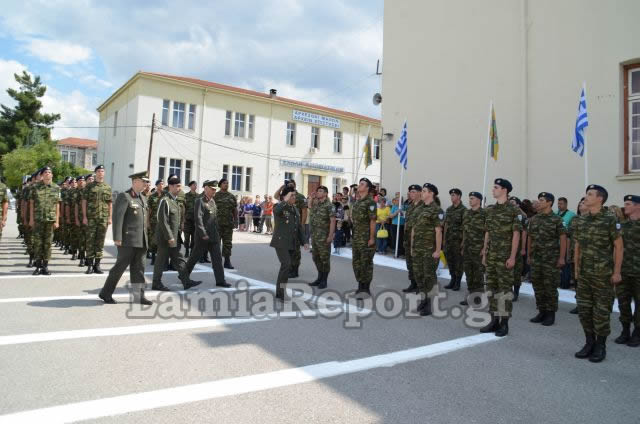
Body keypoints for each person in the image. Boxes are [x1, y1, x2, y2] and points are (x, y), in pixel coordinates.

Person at [574, 185, 623, 363]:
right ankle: (589, 342)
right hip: (586, 274)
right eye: (586, 193)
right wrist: (577, 270)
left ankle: (600, 346)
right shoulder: (582, 220)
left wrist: (617, 272)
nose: (586, 197)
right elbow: (578, 246)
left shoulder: (610, 219)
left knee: (601, 312)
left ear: (600, 198)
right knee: (584, 310)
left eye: (590, 194)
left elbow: (619, 247)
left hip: (603, 275)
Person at [99, 172, 153, 305]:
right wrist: (117, 238)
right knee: (119, 268)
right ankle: (105, 293)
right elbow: (118, 218)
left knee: (139, 269)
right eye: (143, 181)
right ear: (135, 181)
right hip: (127, 241)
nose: (146, 184)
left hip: (141, 241)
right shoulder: (125, 196)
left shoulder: (143, 198)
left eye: (146, 181)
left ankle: (139, 296)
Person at [480, 178, 522, 337]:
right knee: (491, 289)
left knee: (504, 291)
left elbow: (516, 235)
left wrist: (512, 257)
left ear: (504, 190)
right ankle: (493, 320)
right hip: (491, 256)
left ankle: (504, 323)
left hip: (505, 257)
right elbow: (488, 233)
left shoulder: (514, 211)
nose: (493, 190)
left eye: (496, 187)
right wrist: (485, 252)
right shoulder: (490, 210)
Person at [151, 175, 201, 291]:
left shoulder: (175, 201)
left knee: (180, 259)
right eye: (177, 186)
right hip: (166, 238)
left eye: (180, 186)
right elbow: (162, 221)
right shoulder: (165, 201)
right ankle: (156, 283)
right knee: (160, 260)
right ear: (171, 186)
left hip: (175, 237)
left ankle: (186, 281)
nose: (179, 188)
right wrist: (169, 237)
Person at [526, 192, 567, 326]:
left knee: (550, 287)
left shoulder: (556, 220)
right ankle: (541, 311)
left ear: (549, 202)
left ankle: (550, 314)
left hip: (551, 259)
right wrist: (529, 255)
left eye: (542, 200)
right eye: (539, 200)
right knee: (537, 285)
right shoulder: (535, 219)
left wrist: (561, 257)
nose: (539, 202)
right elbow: (530, 237)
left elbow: (563, 239)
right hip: (537, 258)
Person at [185, 180, 230, 288]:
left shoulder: (212, 202)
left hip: (214, 236)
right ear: (206, 189)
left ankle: (220, 280)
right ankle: (183, 275)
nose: (214, 191)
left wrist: (217, 233)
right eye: (212, 189)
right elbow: (198, 219)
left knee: (217, 259)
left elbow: (214, 220)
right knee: (194, 257)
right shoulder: (199, 201)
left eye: (215, 189)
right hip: (202, 237)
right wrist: (203, 233)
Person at [270, 186, 308, 300]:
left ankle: (279, 291)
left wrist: (304, 241)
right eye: (292, 195)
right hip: (281, 241)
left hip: (291, 242)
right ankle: (281, 293)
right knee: (286, 264)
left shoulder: (295, 208)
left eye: (295, 195)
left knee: (286, 266)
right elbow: (276, 211)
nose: (294, 197)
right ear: (285, 197)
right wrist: (285, 200)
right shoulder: (279, 206)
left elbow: (299, 227)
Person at [411, 183, 444, 316]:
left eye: (424, 191)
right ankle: (424, 299)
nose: (422, 193)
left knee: (429, 276)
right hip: (418, 249)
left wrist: (438, 250)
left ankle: (429, 304)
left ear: (431, 193)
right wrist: (412, 246)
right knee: (418, 275)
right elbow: (414, 229)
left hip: (429, 250)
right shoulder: (418, 209)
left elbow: (439, 231)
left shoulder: (437, 210)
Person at [614, 194, 640, 347]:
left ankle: (637, 333)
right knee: (623, 303)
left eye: (629, 204)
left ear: (638, 206)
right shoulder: (621, 225)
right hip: (623, 271)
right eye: (625, 203)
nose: (625, 206)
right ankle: (625, 331)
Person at [29, 167, 61, 275]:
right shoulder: (35, 187)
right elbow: (32, 204)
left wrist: (57, 221)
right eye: (45, 172)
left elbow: (57, 205)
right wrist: (31, 219)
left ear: (52, 175)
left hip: (50, 220)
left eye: (49, 172)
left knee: (47, 244)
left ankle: (45, 266)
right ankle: (38, 266)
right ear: (42, 175)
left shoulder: (56, 188)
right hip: (38, 219)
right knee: (38, 243)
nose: (48, 174)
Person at [274, 179, 308, 278]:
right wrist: (281, 188)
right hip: (286, 231)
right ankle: (288, 269)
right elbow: (276, 198)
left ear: (295, 185)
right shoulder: (285, 198)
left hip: (296, 228)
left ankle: (295, 269)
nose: (290, 185)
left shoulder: (300, 197)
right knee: (288, 252)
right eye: (288, 184)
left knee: (296, 250)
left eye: (291, 184)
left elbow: (304, 211)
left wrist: (301, 226)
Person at [82, 165, 112, 274]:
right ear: (95, 173)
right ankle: (89, 265)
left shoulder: (107, 187)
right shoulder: (89, 187)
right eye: (98, 171)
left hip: (103, 218)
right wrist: (84, 217)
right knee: (90, 241)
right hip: (91, 218)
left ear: (104, 173)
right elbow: (84, 202)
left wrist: (109, 217)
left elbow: (109, 203)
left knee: (100, 242)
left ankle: (97, 265)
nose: (100, 173)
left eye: (102, 171)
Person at [351, 178, 377, 298]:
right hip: (356, 237)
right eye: (359, 183)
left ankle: (365, 289)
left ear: (367, 188)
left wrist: (371, 238)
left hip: (366, 237)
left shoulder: (370, 202)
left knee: (365, 263)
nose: (359, 186)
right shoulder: (358, 201)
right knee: (356, 262)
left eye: (362, 184)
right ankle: (360, 287)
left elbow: (372, 221)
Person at [460, 191, 486, 306]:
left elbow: (487, 233)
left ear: (479, 200)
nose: (470, 200)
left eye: (472, 198)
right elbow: (465, 231)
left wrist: (484, 249)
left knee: (478, 275)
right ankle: (471, 296)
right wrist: (462, 245)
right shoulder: (466, 213)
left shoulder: (484, 214)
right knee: (469, 274)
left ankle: (478, 298)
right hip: (467, 249)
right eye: (469, 198)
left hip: (478, 250)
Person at [308, 186, 336, 289]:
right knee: (316, 257)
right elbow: (310, 207)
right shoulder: (316, 204)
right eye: (317, 190)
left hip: (324, 236)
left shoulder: (329, 205)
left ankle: (324, 280)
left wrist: (330, 236)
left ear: (325, 194)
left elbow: (333, 221)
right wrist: (311, 198)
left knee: (324, 258)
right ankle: (319, 277)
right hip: (315, 236)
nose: (318, 192)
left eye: (320, 191)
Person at [443, 188, 467, 291]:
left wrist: (463, 242)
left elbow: (465, 228)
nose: (452, 197)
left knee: (458, 262)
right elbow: (446, 225)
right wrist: (444, 240)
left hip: (458, 241)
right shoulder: (449, 209)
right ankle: (452, 280)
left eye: (454, 195)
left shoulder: (464, 210)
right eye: (451, 195)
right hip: (449, 240)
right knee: (450, 261)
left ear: (459, 196)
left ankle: (457, 282)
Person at [402, 185, 423, 293]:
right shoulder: (410, 206)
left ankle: (421, 285)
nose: (411, 194)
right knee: (409, 263)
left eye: (414, 192)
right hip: (408, 239)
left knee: (418, 264)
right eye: (410, 192)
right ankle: (413, 283)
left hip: (418, 240)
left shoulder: (423, 206)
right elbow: (406, 222)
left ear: (420, 193)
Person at [214, 178, 238, 269]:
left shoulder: (231, 196)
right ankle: (217, 261)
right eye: (224, 183)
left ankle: (227, 261)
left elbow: (234, 210)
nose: (226, 185)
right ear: (220, 185)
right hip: (217, 224)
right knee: (216, 243)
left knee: (228, 243)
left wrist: (236, 221)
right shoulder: (215, 196)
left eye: (227, 183)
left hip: (228, 224)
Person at [183, 181, 199, 259]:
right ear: (190, 186)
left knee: (194, 238)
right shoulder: (186, 196)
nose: (195, 186)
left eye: (196, 185)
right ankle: (186, 251)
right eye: (193, 185)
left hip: (195, 220)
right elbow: (183, 208)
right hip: (187, 220)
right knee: (186, 238)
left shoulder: (198, 196)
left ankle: (192, 251)